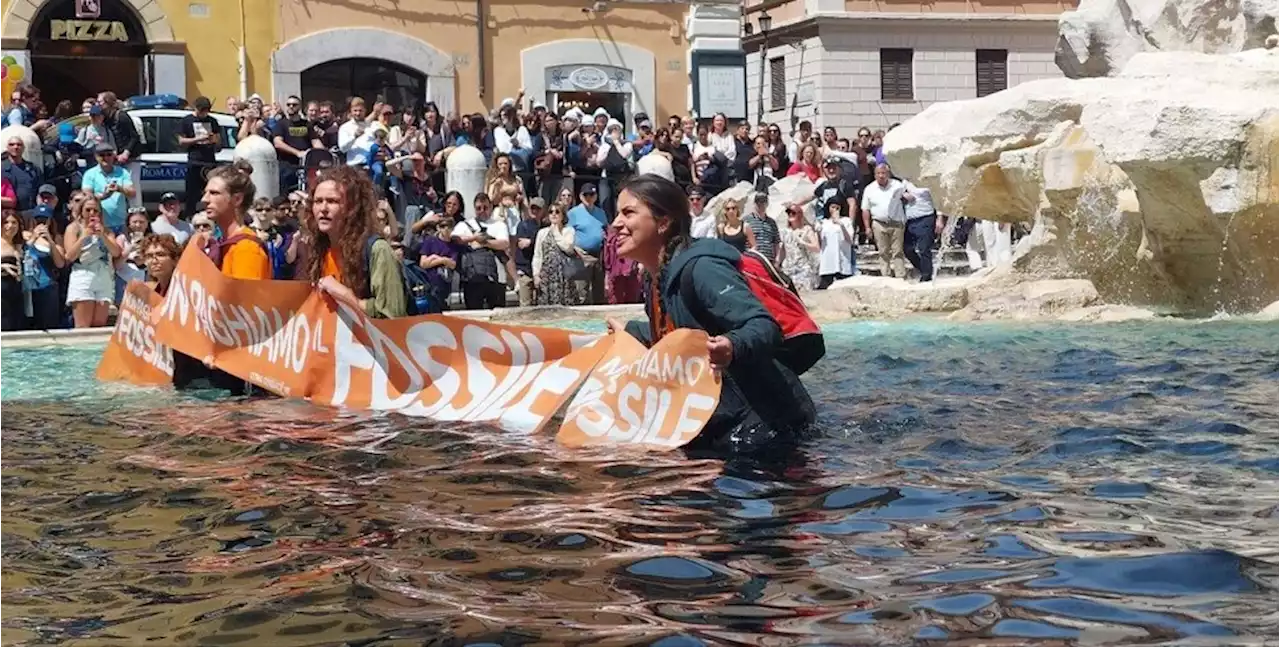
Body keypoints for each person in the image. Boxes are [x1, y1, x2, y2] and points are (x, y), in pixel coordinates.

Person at [605, 175, 815, 452]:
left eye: (628, 212)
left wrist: (731, 345)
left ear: (664, 222)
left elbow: (764, 325)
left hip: (770, 433)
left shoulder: (702, 269)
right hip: (725, 427)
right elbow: (681, 334)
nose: (616, 223)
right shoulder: (656, 279)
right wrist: (631, 332)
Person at [303, 165, 407, 319]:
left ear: (353, 208)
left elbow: (392, 315)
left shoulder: (377, 250)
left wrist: (345, 296)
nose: (323, 208)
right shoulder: (319, 248)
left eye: (332, 201)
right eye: (318, 201)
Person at [202, 161, 271, 280]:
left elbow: (245, 297)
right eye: (206, 193)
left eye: (214, 193)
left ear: (237, 199)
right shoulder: (222, 243)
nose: (204, 199)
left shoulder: (247, 248)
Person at [62, 196, 120, 328]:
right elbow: (69, 256)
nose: (92, 213)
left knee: (99, 325)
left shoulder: (106, 230)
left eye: (96, 210)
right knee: (83, 326)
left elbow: (116, 252)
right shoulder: (73, 228)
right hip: (83, 274)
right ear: (81, 211)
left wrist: (103, 236)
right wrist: (84, 237)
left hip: (103, 276)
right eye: (88, 210)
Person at [451, 192, 509, 310]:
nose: (482, 211)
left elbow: (504, 244)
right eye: (478, 208)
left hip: (496, 278)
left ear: (491, 207)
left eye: (485, 208)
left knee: (498, 315)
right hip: (472, 278)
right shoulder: (464, 224)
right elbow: (454, 239)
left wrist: (484, 242)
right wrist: (473, 238)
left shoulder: (499, 225)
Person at [860, 163, 910, 279]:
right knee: (883, 252)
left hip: (897, 222)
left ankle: (900, 276)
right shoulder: (869, 189)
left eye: (883, 173)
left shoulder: (897, 185)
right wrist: (867, 227)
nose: (881, 176)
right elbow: (865, 209)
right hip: (879, 223)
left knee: (898, 251)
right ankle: (886, 276)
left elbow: (907, 198)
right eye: (878, 173)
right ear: (874, 175)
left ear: (888, 174)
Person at [22, 204, 66, 329]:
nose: (40, 223)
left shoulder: (56, 239)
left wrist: (50, 241)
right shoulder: (26, 235)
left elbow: (60, 263)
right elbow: (22, 253)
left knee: (49, 323)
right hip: (29, 286)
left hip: (48, 285)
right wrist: (34, 237)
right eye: (38, 219)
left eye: (44, 220)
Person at [177, 96, 221, 219]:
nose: (204, 114)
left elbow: (219, 144)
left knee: (210, 192)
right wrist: (198, 139)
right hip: (194, 162)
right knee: (192, 194)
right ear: (196, 108)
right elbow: (181, 141)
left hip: (210, 163)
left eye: (206, 111)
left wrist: (214, 140)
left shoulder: (213, 121)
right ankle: (191, 217)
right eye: (202, 111)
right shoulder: (187, 121)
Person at [565, 183, 607, 304]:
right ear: (580, 196)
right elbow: (568, 234)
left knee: (599, 293)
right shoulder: (573, 213)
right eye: (586, 195)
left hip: (599, 255)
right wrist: (576, 250)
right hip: (581, 255)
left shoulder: (601, 213)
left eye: (592, 194)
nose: (589, 197)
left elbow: (606, 229)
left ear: (596, 196)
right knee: (581, 294)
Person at [80, 142, 134, 234]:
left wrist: (119, 188)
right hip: (99, 224)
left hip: (121, 223)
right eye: (102, 155)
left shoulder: (123, 172)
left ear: (113, 156)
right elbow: (88, 197)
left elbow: (132, 193)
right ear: (96, 157)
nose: (106, 157)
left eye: (109, 154)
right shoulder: (90, 174)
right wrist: (105, 196)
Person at [532, 203, 576, 306]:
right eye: (551, 212)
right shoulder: (542, 233)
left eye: (557, 212)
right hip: (546, 276)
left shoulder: (568, 231)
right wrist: (536, 274)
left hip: (564, 276)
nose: (554, 214)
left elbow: (568, 248)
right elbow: (538, 255)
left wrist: (556, 231)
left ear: (563, 215)